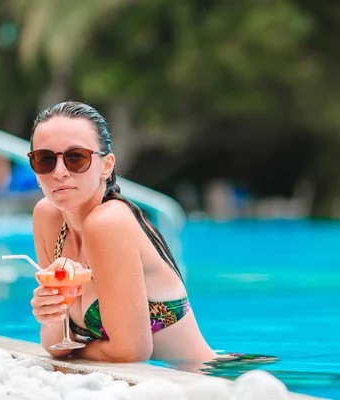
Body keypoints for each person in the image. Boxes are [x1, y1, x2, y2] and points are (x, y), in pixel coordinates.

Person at [28, 101, 276, 369]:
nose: (60, 172)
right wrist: (50, 316)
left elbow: (130, 352)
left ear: (106, 166)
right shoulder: (47, 216)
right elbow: (56, 344)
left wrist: (74, 350)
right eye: (45, 159)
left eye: (76, 157)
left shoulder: (108, 222)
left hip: (211, 380)